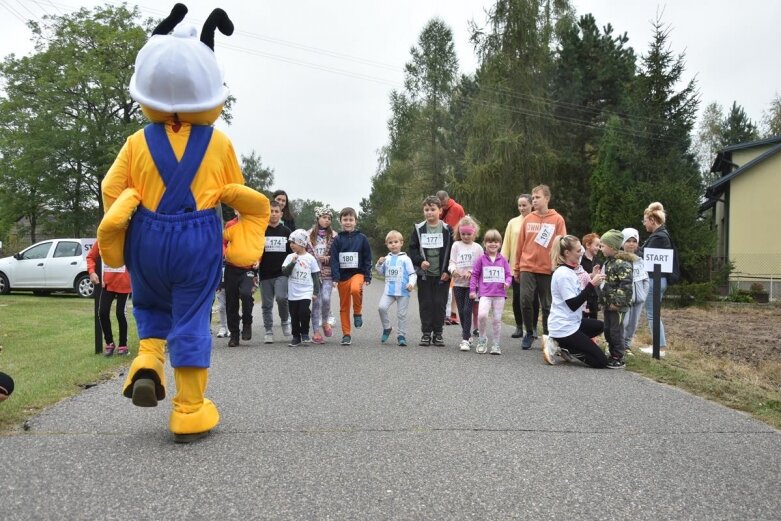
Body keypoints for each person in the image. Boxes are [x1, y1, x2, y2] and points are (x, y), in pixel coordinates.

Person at [97, 6, 270, 442]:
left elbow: (110, 189)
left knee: (152, 305)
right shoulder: (220, 142)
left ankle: (147, 361)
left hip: (147, 239)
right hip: (196, 239)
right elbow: (236, 193)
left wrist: (120, 225)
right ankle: (189, 410)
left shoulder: (136, 142)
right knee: (192, 316)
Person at [512, 184, 567, 350]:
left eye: (537, 197)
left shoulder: (557, 219)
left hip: (548, 269)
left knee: (548, 305)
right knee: (525, 300)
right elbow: (520, 245)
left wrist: (558, 265)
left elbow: (562, 244)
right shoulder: (528, 219)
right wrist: (517, 268)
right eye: (533, 197)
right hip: (527, 266)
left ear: (547, 199)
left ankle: (548, 336)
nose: (534, 200)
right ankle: (529, 332)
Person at [542, 235, 608, 368]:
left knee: (601, 326)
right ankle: (566, 346)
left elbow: (579, 291)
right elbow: (573, 304)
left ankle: (562, 343)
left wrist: (591, 279)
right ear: (567, 253)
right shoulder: (563, 274)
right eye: (578, 251)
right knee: (601, 362)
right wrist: (591, 285)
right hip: (564, 327)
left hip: (573, 322)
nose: (581, 254)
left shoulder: (571, 270)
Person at [409, 196, 452, 347]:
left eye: (433, 209)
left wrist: (448, 271)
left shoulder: (448, 230)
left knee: (439, 303)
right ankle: (426, 333)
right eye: (426, 210)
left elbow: (452, 252)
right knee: (426, 303)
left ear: (440, 211)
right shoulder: (418, 228)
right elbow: (412, 249)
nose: (429, 213)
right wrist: (420, 261)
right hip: (425, 275)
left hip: (442, 275)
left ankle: (438, 333)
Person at [330, 207, 372, 346]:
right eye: (345, 219)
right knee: (344, 307)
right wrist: (335, 278)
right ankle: (346, 334)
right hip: (342, 277)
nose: (348, 222)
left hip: (357, 273)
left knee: (355, 289)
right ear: (340, 221)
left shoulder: (362, 238)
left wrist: (367, 275)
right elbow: (334, 260)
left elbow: (367, 258)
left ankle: (358, 312)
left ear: (355, 221)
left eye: (351, 219)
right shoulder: (337, 239)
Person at [470, 229, 512, 355]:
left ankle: (496, 344)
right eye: (489, 241)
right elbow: (474, 275)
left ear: (499, 243)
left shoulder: (503, 260)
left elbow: (509, 275)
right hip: (485, 294)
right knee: (482, 315)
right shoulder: (481, 259)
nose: (492, 244)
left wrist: (507, 283)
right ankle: (482, 339)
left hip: (499, 294)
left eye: (495, 241)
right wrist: (472, 290)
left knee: (497, 320)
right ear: (484, 243)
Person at [502, 194, 539, 339]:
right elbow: (506, 244)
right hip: (515, 266)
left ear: (532, 205)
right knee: (518, 297)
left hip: (533, 266)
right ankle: (518, 326)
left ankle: (534, 327)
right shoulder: (513, 222)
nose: (522, 208)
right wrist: (503, 264)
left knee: (533, 298)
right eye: (520, 205)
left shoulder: (537, 221)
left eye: (524, 205)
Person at [639, 202, 673, 356]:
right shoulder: (662, 235)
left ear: (652, 221)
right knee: (654, 313)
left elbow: (644, 256)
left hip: (655, 279)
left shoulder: (658, 237)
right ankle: (659, 345)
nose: (644, 223)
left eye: (645, 220)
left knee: (653, 314)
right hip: (658, 279)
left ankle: (658, 347)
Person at [87, 241, 132, 356]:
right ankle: (109, 343)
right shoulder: (102, 238)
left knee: (120, 313)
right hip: (108, 283)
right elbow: (91, 256)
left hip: (124, 283)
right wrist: (91, 272)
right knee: (102, 312)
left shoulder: (126, 236)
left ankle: (123, 345)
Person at [599, 229, 635, 369]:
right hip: (608, 304)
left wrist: (617, 302)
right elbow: (607, 284)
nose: (601, 248)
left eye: (603, 246)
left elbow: (626, 285)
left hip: (617, 306)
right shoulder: (609, 262)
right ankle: (612, 352)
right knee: (608, 330)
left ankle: (618, 356)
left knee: (616, 331)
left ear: (612, 247)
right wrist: (603, 301)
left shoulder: (622, 264)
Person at [258, 200, 292, 344]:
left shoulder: (286, 232)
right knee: (266, 304)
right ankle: (268, 330)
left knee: (281, 298)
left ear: (281, 214)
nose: (273, 214)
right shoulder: (261, 231)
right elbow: (256, 251)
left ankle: (285, 320)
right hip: (265, 273)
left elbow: (292, 253)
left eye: (276, 211)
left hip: (281, 273)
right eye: (271, 211)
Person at [376, 230, 417, 346]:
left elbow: (412, 274)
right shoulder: (386, 259)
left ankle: (401, 335)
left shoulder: (405, 259)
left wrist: (411, 284)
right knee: (381, 308)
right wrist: (379, 264)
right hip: (389, 291)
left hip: (403, 291)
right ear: (387, 245)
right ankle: (387, 327)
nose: (393, 244)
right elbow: (379, 273)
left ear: (401, 243)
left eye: (395, 242)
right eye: (390, 242)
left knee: (401, 314)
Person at [223, 213, 258, 347]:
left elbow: (259, 243)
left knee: (246, 294)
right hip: (231, 268)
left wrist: (258, 259)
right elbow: (224, 243)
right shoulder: (230, 225)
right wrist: (225, 253)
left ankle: (247, 322)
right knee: (231, 302)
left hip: (247, 268)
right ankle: (234, 335)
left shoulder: (254, 224)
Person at [449, 216, 483, 351]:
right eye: (463, 234)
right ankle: (467, 334)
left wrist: (472, 271)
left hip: (471, 285)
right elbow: (452, 261)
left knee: (467, 309)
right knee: (461, 311)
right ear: (459, 233)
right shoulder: (456, 245)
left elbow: (480, 265)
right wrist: (453, 270)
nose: (466, 237)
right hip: (458, 283)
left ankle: (464, 340)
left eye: (468, 234)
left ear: (474, 233)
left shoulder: (478, 248)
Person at [281, 229, 321, 347]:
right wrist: (292, 262)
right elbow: (285, 272)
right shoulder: (289, 257)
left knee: (303, 312)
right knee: (294, 315)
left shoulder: (310, 258)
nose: (291, 245)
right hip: (293, 292)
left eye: (294, 242)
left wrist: (315, 292)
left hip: (306, 291)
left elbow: (315, 276)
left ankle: (304, 333)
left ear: (302, 243)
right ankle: (296, 337)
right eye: (290, 242)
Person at [307, 205, 338, 344]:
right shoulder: (308, 235)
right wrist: (313, 259)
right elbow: (304, 252)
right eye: (324, 217)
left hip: (327, 272)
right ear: (317, 218)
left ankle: (325, 322)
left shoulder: (334, 236)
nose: (327, 220)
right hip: (313, 274)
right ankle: (316, 332)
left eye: (329, 218)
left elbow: (336, 255)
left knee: (326, 298)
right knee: (316, 301)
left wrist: (328, 258)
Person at [437, 190, 465, 326]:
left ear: (447, 200)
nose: (442, 206)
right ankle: (444, 312)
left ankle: (453, 313)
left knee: (455, 281)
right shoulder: (440, 209)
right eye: (440, 205)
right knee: (444, 280)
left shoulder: (457, 208)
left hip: (455, 246)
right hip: (442, 247)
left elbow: (458, 227)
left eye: (443, 204)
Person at [621, 228, 649, 352]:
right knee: (623, 323)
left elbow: (645, 279)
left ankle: (627, 345)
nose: (631, 244)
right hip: (624, 300)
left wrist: (643, 294)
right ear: (622, 243)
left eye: (634, 241)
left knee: (633, 324)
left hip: (638, 298)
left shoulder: (640, 261)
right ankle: (619, 344)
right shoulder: (618, 260)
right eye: (628, 241)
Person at [580, 233, 601, 319]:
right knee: (583, 319)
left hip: (594, 296)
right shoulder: (580, 260)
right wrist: (591, 276)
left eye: (600, 246)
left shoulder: (597, 260)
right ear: (588, 245)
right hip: (584, 295)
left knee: (594, 318)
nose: (599, 248)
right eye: (596, 245)